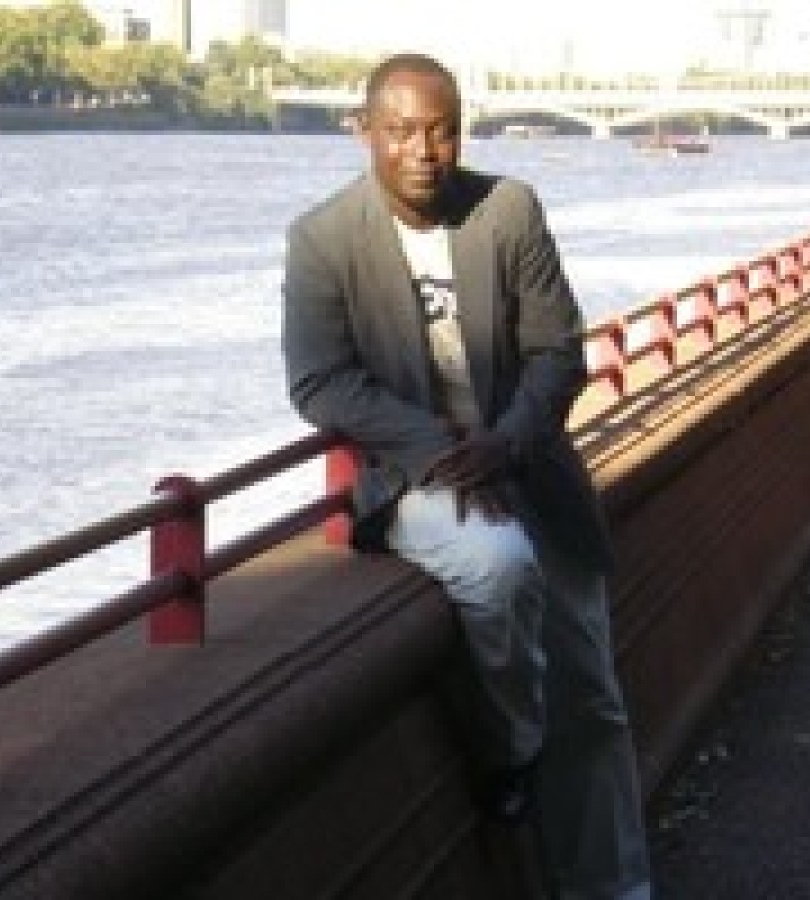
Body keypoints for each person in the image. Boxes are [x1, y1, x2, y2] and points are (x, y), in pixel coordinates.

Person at [282, 52, 652, 899]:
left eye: (442, 129)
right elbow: (319, 381)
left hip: (531, 471)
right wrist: (442, 447)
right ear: (365, 133)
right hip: (421, 477)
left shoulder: (507, 210)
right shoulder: (323, 241)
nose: (424, 148)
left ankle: (617, 889)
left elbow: (559, 353)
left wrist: (508, 445)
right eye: (403, 130)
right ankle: (514, 747)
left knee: (593, 702)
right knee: (498, 566)